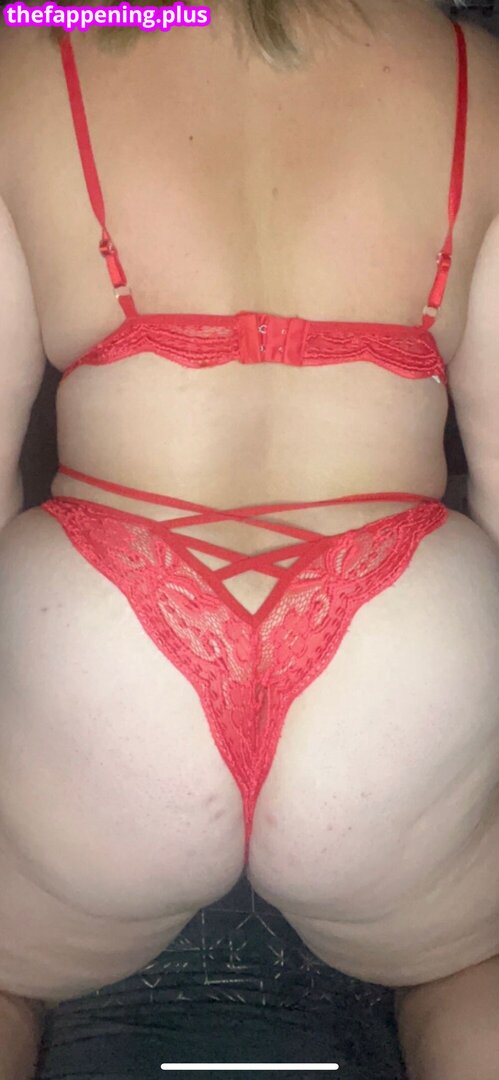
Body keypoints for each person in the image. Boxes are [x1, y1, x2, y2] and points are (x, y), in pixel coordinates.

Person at [0, 1, 498, 1076]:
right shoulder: (479, 73)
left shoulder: (32, 49)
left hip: (100, 638)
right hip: (402, 650)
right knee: (474, 969)